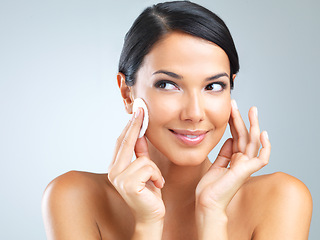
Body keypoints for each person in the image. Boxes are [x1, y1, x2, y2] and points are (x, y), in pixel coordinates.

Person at [41, 1, 313, 239]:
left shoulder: (282, 198)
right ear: (127, 93)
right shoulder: (74, 198)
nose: (194, 113)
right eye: (168, 85)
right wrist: (147, 225)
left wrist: (213, 215)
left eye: (213, 86)